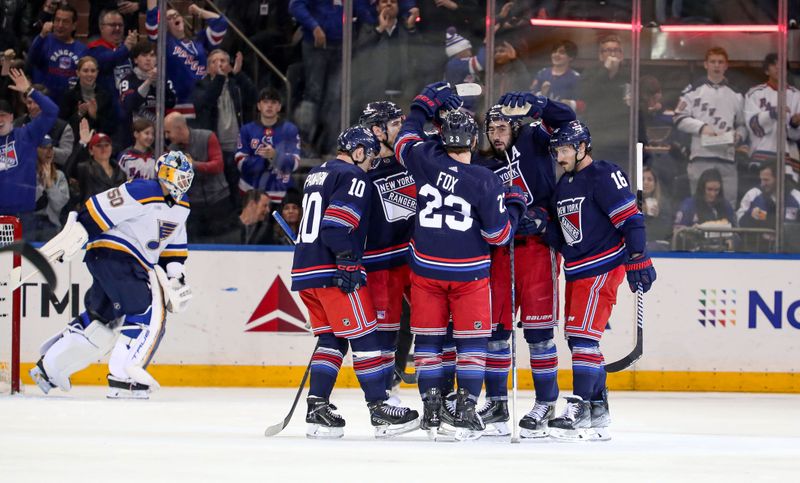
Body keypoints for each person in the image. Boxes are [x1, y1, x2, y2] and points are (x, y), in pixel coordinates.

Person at [394, 82, 526, 440]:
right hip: (468, 274)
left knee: (429, 343)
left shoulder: (423, 159)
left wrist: (422, 105)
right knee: (470, 342)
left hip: (425, 271)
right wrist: (514, 204)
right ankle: (465, 408)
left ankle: (432, 409)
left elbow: (405, 139)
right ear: (471, 141)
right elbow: (498, 237)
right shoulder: (484, 180)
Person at [29, 150, 194, 399]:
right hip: (116, 256)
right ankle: (123, 377)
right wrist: (77, 232)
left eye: (185, 177)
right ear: (162, 172)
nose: (180, 181)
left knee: (101, 321)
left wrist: (176, 276)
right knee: (145, 312)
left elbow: (172, 248)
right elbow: (100, 207)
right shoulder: (143, 190)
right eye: (175, 174)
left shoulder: (182, 207)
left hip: (122, 263)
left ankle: (50, 368)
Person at [290, 125, 419, 439]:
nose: (370, 163)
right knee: (365, 339)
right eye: (370, 155)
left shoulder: (317, 173)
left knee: (331, 340)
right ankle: (380, 407)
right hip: (334, 271)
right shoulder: (353, 177)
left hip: (305, 271)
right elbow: (336, 226)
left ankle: (318, 406)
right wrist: (348, 259)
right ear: (358, 151)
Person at [543, 120, 656, 440]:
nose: (560, 157)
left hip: (602, 267)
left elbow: (631, 219)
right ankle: (597, 408)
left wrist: (637, 257)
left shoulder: (604, 174)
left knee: (582, 339)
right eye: (556, 151)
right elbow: (562, 232)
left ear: (582, 148)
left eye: (564, 150)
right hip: (577, 270)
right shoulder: (564, 184)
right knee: (579, 339)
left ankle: (579, 405)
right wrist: (537, 224)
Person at [474, 93, 575, 438]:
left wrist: (542, 103)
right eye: (492, 129)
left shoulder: (534, 139)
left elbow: (568, 122)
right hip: (499, 253)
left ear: (515, 127)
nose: (497, 135)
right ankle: (498, 403)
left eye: (503, 127)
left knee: (538, 332)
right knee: (495, 332)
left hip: (536, 249)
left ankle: (546, 402)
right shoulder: (483, 164)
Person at [359, 101, 415, 401]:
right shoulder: (360, 171)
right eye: (395, 124)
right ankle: (385, 393)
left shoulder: (413, 157)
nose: (401, 129)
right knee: (386, 330)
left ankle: (445, 395)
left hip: (419, 257)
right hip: (381, 261)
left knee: (441, 325)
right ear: (376, 130)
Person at [674, 46, 747, 207]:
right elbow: (678, 117)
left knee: (728, 205)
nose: (716, 65)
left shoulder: (736, 94)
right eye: (713, 62)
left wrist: (739, 136)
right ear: (706, 64)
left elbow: (743, 125)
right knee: (699, 205)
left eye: (720, 62)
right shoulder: (693, 90)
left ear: (726, 66)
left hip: (727, 158)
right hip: (701, 156)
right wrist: (701, 127)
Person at [193, 48, 257, 206]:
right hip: (215, 149)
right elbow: (206, 102)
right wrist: (220, 79)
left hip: (237, 147)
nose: (220, 64)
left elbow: (254, 97)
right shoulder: (201, 85)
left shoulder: (236, 85)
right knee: (219, 192)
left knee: (238, 190)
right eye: (215, 62)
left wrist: (238, 74)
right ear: (208, 68)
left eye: (223, 61)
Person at [146, 0, 228, 118]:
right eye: (169, 17)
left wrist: (199, 11)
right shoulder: (166, 42)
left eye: (176, 15)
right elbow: (152, 25)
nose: (174, 18)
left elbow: (221, 23)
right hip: (179, 106)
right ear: (164, 25)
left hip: (203, 102)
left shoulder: (199, 41)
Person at [164, 111, 231, 243]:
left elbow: (218, 165)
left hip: (218, 201)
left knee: (223, 243)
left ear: (179, 129)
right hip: (193, 206)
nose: (167, 136)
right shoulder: (172, 150)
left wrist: (193, 165)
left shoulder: (207, 137)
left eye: (168, 132)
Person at [0, 69, 58, 218]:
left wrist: (30, 91)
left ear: (11, 117)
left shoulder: (27, 134)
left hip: (24, 213)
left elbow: (52, 111)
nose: (0, 121)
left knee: (22, 243)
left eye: (3, 115)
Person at [235, 88, 301, 204]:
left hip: (280, 193)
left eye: (273, 102)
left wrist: (275, 155)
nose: (269, 106)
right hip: (251, 193)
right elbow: (240, 162)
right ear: (259, 106)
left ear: (279, 107)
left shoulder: (290, 130)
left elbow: (295, 163)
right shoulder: (247, 130)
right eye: (265, 102)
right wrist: (264, 160)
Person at [744, 53, 800, 182]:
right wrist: (772, 113)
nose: (778, 68)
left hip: (789, 160)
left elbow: (795, 135)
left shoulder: (797, 95)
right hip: (761, 156)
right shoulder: (755, 93)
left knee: (787, 200)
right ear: (766, 70)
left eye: (782, 65)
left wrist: (794, 123)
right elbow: (753, 127)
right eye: (774, 64)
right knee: (761, 197)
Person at [579, 34, 630, 163]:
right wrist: (605, 70)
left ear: (621, 54)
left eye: (616, 50)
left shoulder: (629, 73)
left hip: (621, 137)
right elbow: (585, 94)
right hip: (598, 135)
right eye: (608, 50)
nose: (612, 54)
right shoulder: (591, 72)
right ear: (601, 55)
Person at [119, 40, 177, 148]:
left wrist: (157, 84)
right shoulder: (128, 80)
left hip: (160, 138)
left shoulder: (164, 79)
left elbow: (171, 102)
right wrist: (148, 82)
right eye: (144, 55)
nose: (148, 59)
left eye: (152, 55)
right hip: (134, 139)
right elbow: (129, 105)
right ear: (135, 59)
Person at [26, 3, 86, 102]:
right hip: (43, 101)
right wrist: (42, 35)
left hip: (68, 104)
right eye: (57, 20)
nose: (60, 25)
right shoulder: (44, 40)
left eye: (65, 21)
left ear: (74, 25)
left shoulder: (82, 49)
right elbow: (32, 58)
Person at [86, 8, 137, 124]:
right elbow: (106, 61)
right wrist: (126, 48)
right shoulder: (94, 49)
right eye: (113, 25)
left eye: (120, 25)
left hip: (130, 112)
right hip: (107, 113)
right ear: (101, 27)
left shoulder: (128, 50)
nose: (117, 29)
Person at [674, 168, 737, 251]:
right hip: (695, 254)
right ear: (702, 188)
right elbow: (678, 233)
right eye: (709, 189)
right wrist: (691, 233)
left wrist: (732, 241)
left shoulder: (725, 205)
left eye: (716, 190)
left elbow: (736, 231)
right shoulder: (689, 205)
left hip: (722, 253)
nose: (713, 194)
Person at [12, 83, 73, 169]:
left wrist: (41, 148)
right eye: (29, 102)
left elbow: (66, 157)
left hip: (54, 175)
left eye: (36, 102)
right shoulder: (17, 124)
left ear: (45, 103)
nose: (32, 107)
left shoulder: (63, 127)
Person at [59, 56, 115, 140]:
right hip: (75, 142)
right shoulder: (68, 95)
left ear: (97, 73)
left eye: (93, 71)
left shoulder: (105, 95)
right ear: (78, 73)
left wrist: (94, 116)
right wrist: (79, 114)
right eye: (85, 71)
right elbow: (62, 124)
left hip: (99, 142)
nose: (89, 74)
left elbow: (111, 126)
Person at [74, 121, 126, 202]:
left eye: (106, 145)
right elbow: (68, 170)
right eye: (99, 145)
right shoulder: (84, 168)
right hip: (92, 212)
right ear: (91, 151)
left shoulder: (121, 173)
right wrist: (82, 143)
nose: (103, 148)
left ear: (111, 148)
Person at [29, 134, 69, 241]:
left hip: (51, 226)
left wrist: (50, 183)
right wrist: (41, 183)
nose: (49, 151)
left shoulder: (60, 175)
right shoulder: (25, 174)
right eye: (44, 148)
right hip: (27, 224)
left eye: (51, 148)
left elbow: (59, 205)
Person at [531, 40, 583, 113]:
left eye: (562, 52)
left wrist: (570, 104)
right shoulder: (542, 73)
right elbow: (530, 97)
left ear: (571, 57)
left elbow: (584, 104)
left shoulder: (576, 78)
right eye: (554, 52)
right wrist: (542, 94)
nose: (556, 55)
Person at [642, 166, 673, 250]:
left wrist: (658, 217)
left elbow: (666, 231)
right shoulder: (630, 202)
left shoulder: (663, 203)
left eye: (649, 179)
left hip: (658, 244)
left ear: (655, 183)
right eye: (642, 179)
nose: (645, 182)